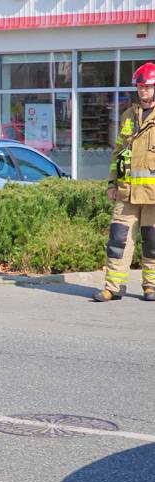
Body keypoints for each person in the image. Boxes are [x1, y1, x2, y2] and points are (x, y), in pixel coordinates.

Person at [94, 62, 155, 302]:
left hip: (153, 194)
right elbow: (119, 153)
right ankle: (113, 287)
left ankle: (151, 287)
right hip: (127, 192)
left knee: (152, 242)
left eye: (148, 87)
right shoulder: (128, 115)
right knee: (117, 239)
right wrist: (112, 184)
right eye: (140, 87)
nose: (144, 91)